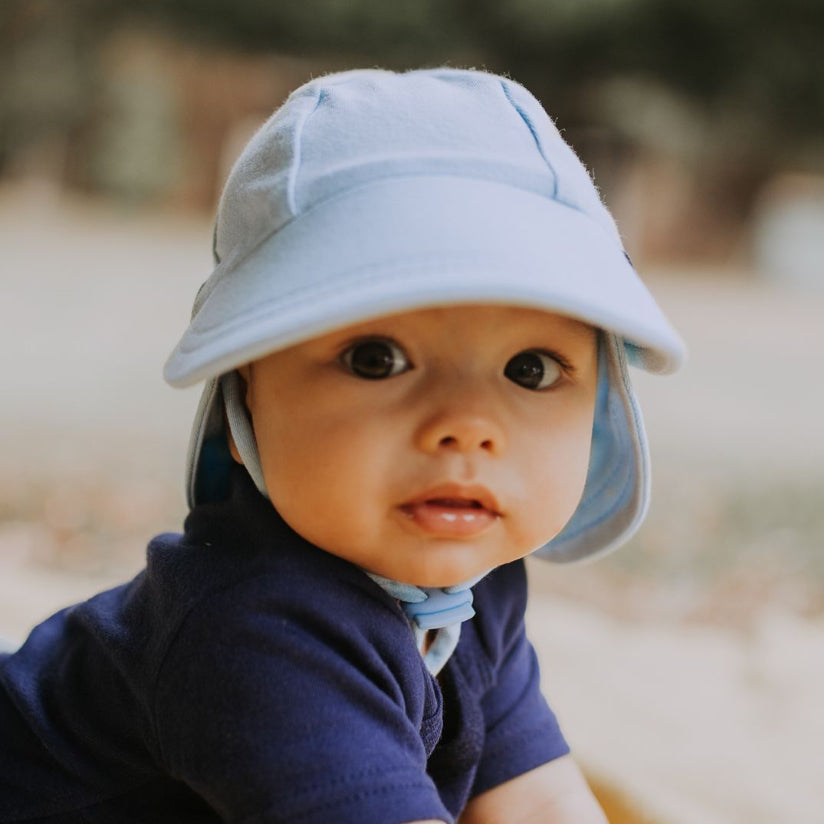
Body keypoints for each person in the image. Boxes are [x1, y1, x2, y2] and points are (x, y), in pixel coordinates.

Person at [0, 67, 685, 823]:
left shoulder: (478, 590)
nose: (466, 425)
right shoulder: (253, 632)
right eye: (376, 359)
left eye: (530, 369)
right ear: (244, 398)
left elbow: (538, 802)